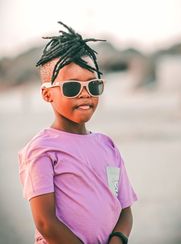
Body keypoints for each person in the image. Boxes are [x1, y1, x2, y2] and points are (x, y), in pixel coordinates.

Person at [18, 22, 138, 244]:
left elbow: (124, 209)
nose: (85, 94)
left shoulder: (107, 145)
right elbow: (45, 223)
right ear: (47, 95)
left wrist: (118, 239)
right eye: (72, 87)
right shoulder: (42, 149)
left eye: (93, 86)